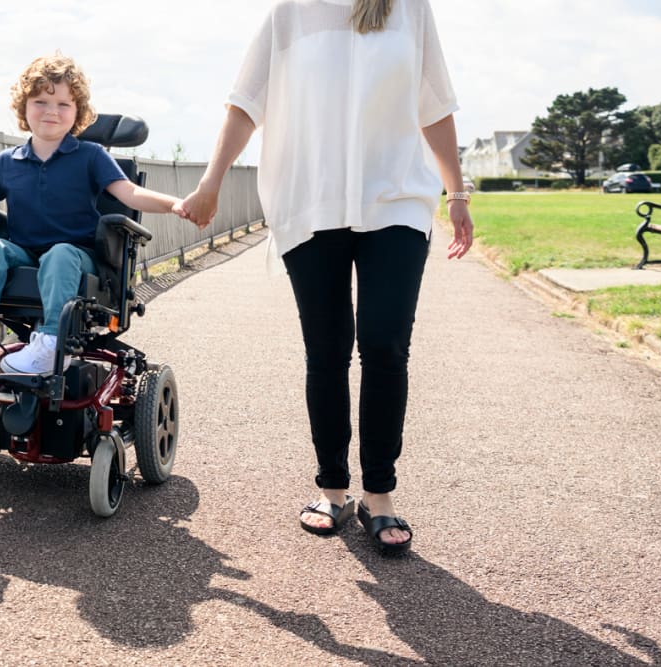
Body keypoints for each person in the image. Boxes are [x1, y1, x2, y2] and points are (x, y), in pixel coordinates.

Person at [181, 0, 473, 554]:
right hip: (310, 202)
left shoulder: (409, 8)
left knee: (386, 345)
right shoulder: (290, 12)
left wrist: (456, 191)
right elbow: (245, 103)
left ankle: (379, 496)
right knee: (328, 350)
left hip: (397, 200)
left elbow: (434, 103)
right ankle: (334, 489)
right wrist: (211, 182)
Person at [0, 53, 190, 374]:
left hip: (80, 257)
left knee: (59, 254)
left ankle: (50, 343)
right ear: (24, 108)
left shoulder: (90, 155)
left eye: (63, 104)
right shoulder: (9, 161)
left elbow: (128, 193)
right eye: (40, 101)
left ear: (77, 112)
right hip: (25, 254)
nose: (51, 111)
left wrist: (174, 204)